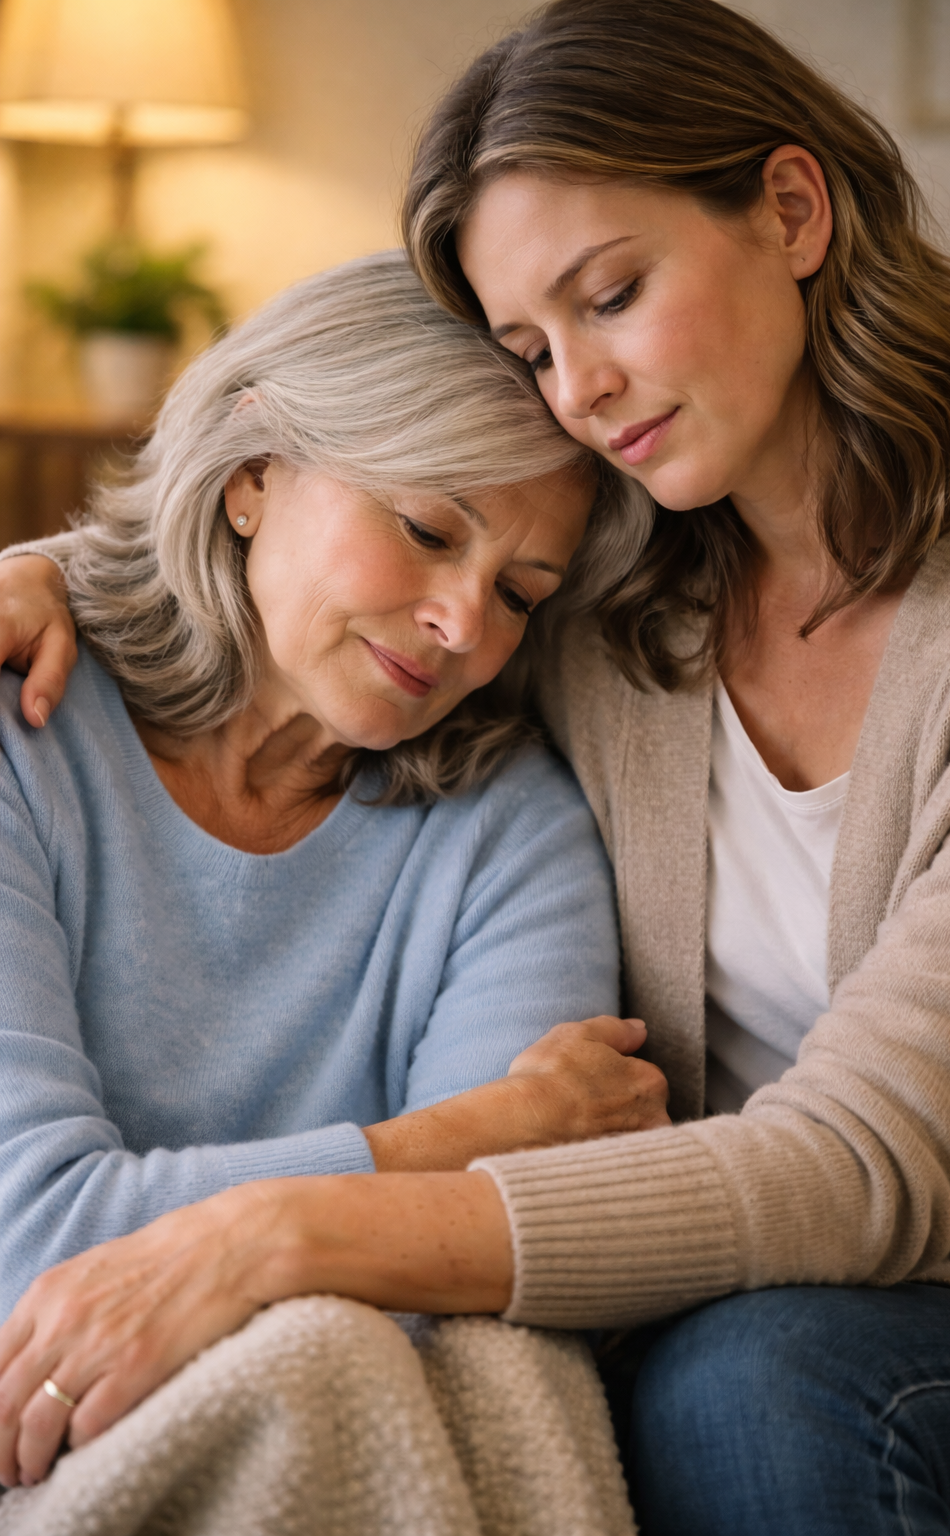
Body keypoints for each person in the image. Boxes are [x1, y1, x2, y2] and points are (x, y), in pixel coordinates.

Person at [2, 1, 950, 1530]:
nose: (579, 394)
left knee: (751, 1380)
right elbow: (328, 557)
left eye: (612, 297)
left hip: (945, 1294)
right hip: (676, 1281)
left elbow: (865, 1161)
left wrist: (287, 1231)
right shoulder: (604, 602)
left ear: (794, 213)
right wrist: (52, 573)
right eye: (531, 349)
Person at [0, 248, 672, 1491]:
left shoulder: (508, 829)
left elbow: (497, 1267)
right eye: (424, 530)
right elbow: (32, 1246)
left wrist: (266, 1246)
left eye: (521, 593)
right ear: (252, 476)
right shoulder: (23, 728)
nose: (465, 625)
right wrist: (495, 1122)